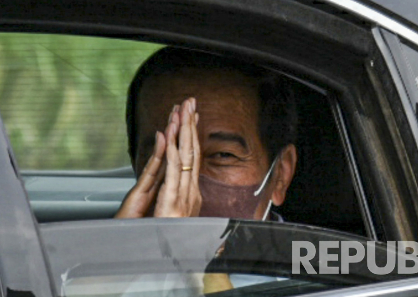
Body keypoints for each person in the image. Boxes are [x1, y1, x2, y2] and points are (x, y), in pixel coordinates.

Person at [115, 47, 299, 223]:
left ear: (280, 175)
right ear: (136, 163)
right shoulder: (114, 251)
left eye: (223, 155)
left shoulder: (310, 254)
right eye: (166, 155)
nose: (190, 194)